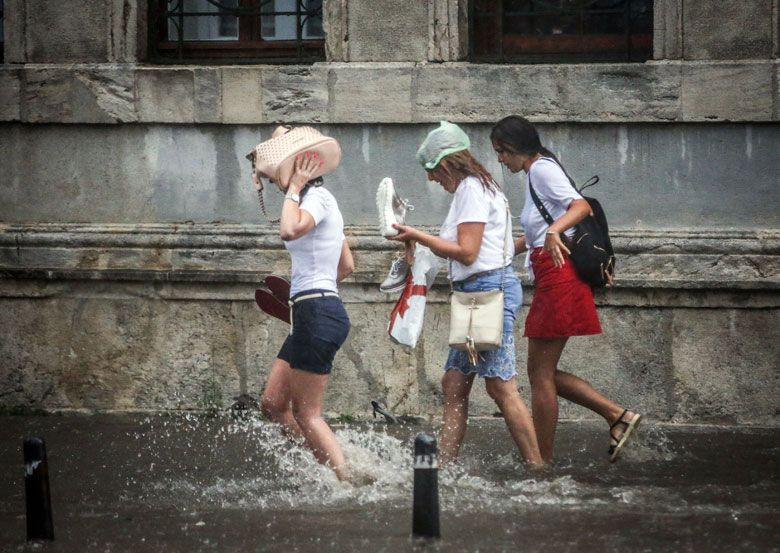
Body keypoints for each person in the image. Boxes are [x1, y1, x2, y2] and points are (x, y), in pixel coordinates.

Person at [389, 121, 544, 469]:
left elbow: (468, 251)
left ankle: (538, 467)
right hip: (476, 293)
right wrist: (420, 241)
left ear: (446, 164)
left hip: (487, 292)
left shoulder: (472, 189)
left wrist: (418, 234)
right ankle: (443, 466)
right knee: (454, 384)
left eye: (432, 171)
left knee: (502, 387)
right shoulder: (478, 187)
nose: (431, 179)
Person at [490, 115, 641, 463]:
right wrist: (493, 253)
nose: (500, 159)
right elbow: (537, 233)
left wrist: (555, 232)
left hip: (559, 275)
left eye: (502, 152)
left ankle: (541, 460)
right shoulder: (536, 173)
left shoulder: (541, 169)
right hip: (552, 274)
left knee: (539, 375)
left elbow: (580, 206)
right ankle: (616, 416)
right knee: (541, 374)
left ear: (516, 148)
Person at [250, 126, 355, 480]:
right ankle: (324, 467)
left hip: (316, 311)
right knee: (273, 404)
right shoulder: (323, 202)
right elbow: (347, 266)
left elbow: (289, 231)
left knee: (307, 412)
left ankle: (346, 484)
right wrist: (310, 293)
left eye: (279, 171)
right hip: (313, 310)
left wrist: (293, 189)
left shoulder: (316, 199)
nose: (276, 180)